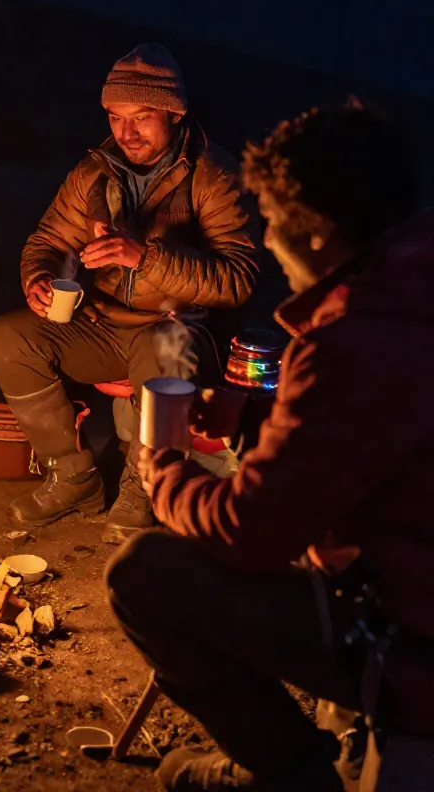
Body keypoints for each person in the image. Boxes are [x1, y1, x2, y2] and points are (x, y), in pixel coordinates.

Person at [107, 102, 434, 791]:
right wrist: (269, 428)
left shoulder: (353, 338)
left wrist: (162, 470)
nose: (270, 239)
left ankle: (291, 774)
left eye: (277, 222)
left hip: (408, 640)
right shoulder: (412, 289)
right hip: (408, 588)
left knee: (144, 575)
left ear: (314, 233)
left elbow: (247, 530)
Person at [0, 43, 259, 538]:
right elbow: (47, 240)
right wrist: (38, 279)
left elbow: (237, 279)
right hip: (103, 324)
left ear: (174, 113)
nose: (125, 133)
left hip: (180, 330)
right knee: (8, 338)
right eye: (114, 117)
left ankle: (146, 483)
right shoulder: (95, 172)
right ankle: (74, 477)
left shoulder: (213, 176)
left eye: (141, 117)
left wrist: (145, 258)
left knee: (165, 351)